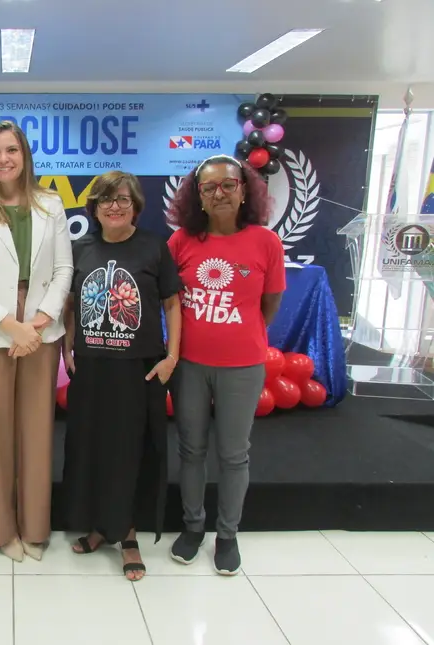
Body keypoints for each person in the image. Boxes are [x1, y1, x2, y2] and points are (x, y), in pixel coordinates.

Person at [0, 120, 73, 562]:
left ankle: (35, 527)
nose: (3, 159)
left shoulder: (50, 204)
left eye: (11, 150)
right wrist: (11, 326)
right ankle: (1, 529)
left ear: (25, 155)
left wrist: (38, 324)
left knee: (36, 432)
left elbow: (64, 271)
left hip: (42, 329)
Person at [166, 154, 286, 576]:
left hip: (242, 367)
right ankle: (193, 526)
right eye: (208, 187)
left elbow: (269, 305)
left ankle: (227, 534)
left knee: (234, 455)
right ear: (196, 197)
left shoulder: (266, 242)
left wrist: (237, 334)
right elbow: (169, 303)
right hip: (190, 367)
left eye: (228, 185)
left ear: (244, 190)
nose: (219, 193)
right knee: (191, 450)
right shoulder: (180, 242)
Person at [61, 171, 181, 581]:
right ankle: (100, 526)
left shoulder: (154, 247)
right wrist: (67, 346)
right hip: (91, 367)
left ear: (136, 205)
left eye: (123, 199)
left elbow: (171, 305)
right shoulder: (80, 248)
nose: (114, 206)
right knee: (90, 448)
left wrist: (172, 357)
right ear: (94, 207)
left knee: (128, 452)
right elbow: (72, 303)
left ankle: (126, 534)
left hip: (138, 370)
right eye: (106, 199)